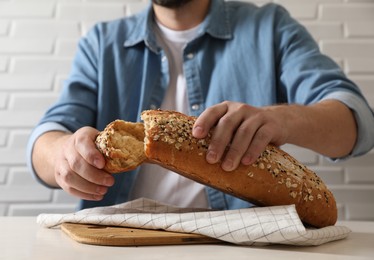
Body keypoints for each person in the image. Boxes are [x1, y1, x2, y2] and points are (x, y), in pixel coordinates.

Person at [27, 0, 374, 211]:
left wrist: (281, 119)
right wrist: (63, 155)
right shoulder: (101, 43)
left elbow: (357, 124)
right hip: (122, 241)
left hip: (242, 248)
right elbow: (47, 137)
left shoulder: (270, 27)